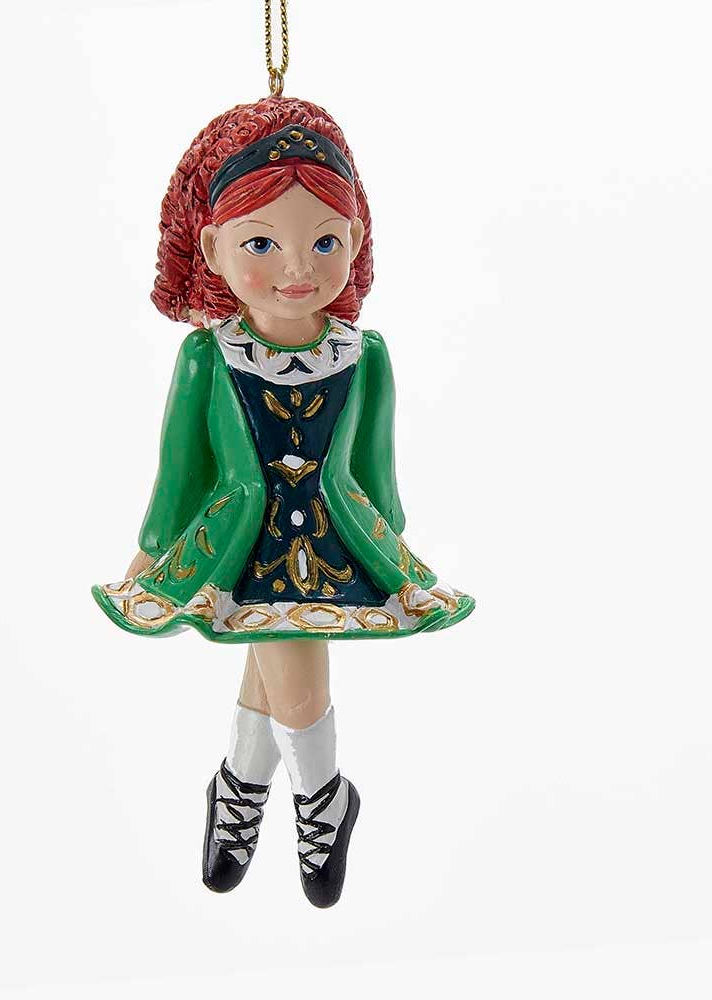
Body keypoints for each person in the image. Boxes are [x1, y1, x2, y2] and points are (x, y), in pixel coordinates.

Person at [92, 97, 474, 907]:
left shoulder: (364, 355)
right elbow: (179, 471)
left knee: (281, 650)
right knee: (283, 651)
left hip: (337, 537)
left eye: (324, 241)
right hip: (238, 539)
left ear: (356, 241)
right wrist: (153, 549)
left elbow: (374, 469)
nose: (297, 268)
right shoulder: (209, 356)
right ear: (213, 248)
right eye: (261, 243)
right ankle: (321, 794)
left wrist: (391, 544)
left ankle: (245, 787)